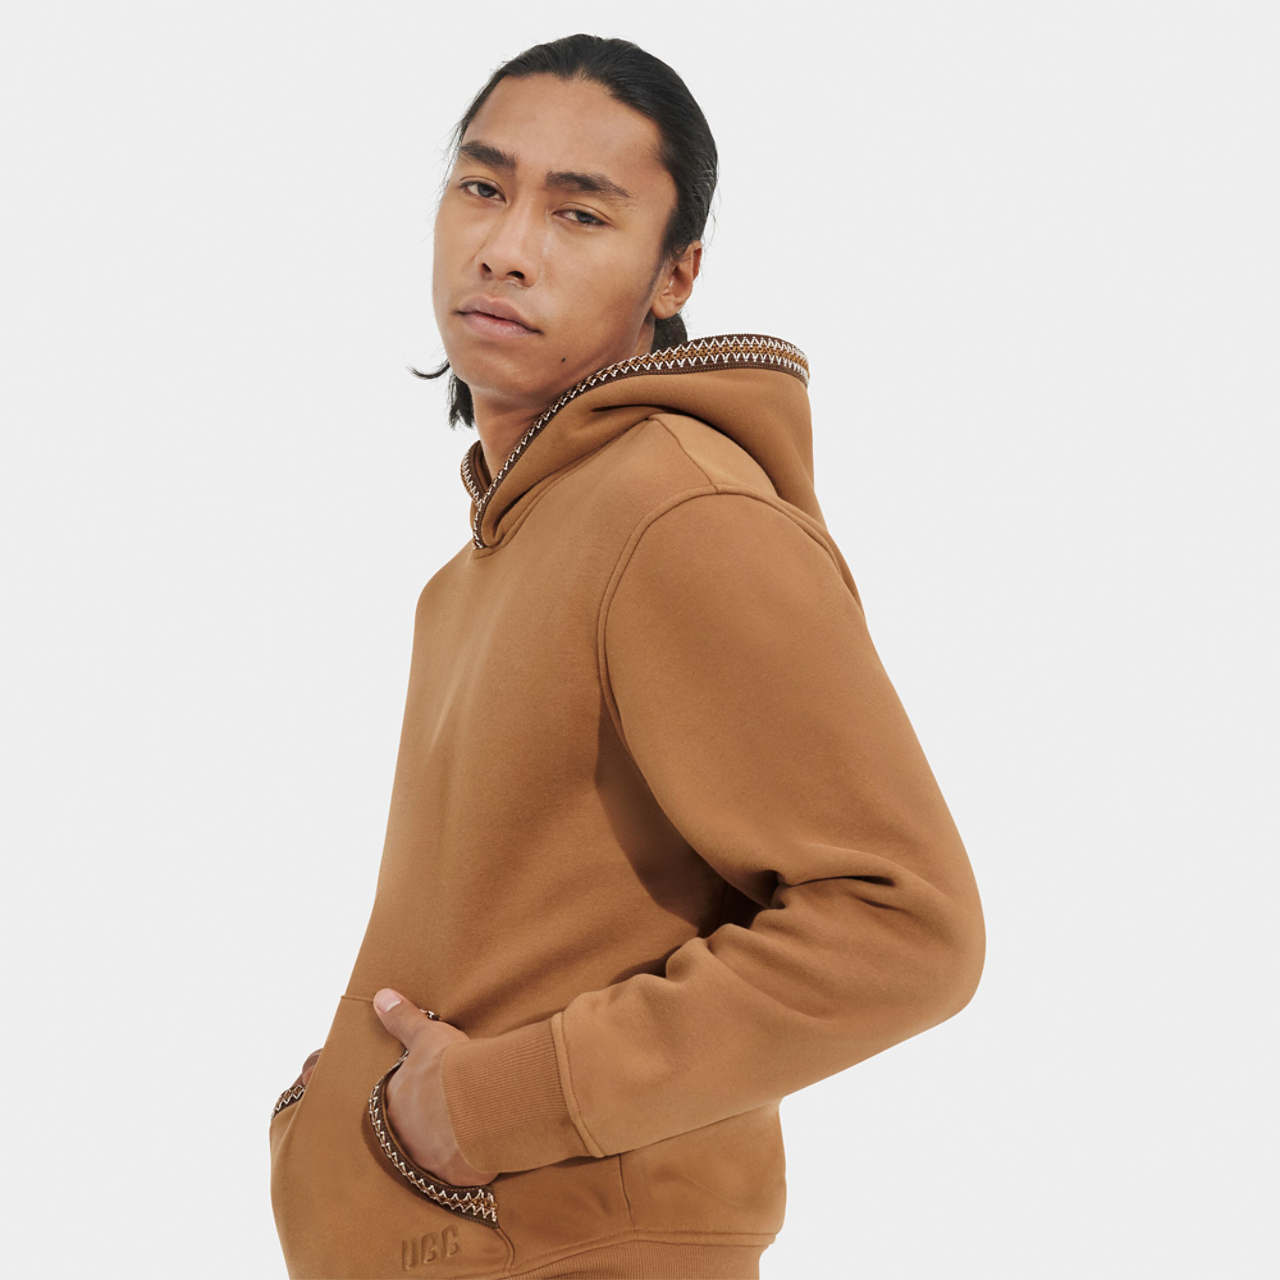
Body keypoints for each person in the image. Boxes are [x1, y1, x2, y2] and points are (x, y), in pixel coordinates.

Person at [268, 33, 985, 1280]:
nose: (505, 245)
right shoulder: (497, 556)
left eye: (579, 212)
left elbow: (902, 924)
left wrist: (479, 1107)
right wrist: (336, 1105)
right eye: (482, 185)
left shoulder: (677, 515)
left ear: (675, 271)